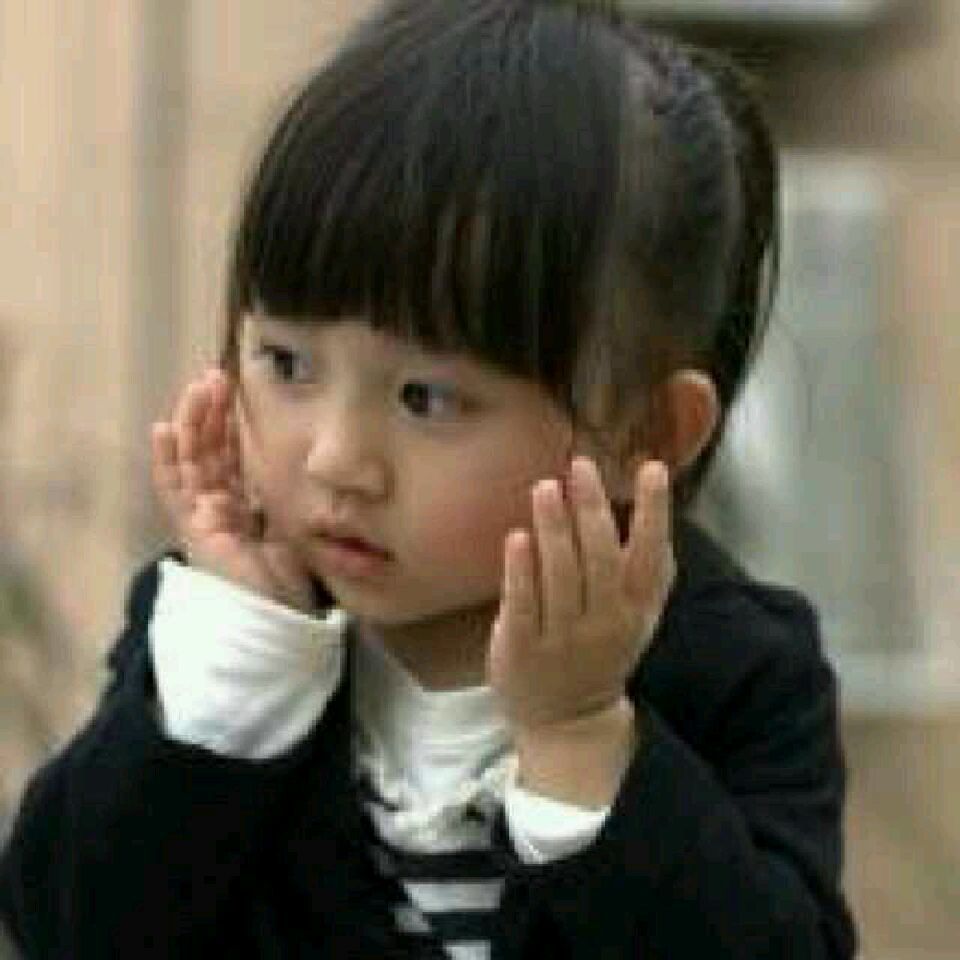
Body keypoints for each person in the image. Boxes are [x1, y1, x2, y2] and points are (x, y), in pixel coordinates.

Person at [0, 1, 857, 957]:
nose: (334, 460)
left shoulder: (730, 671)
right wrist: (239, 667)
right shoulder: (221, 637)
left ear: (644, 432)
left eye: (426, 398)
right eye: (286, 363)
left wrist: (579, 735)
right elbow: (68, 925)